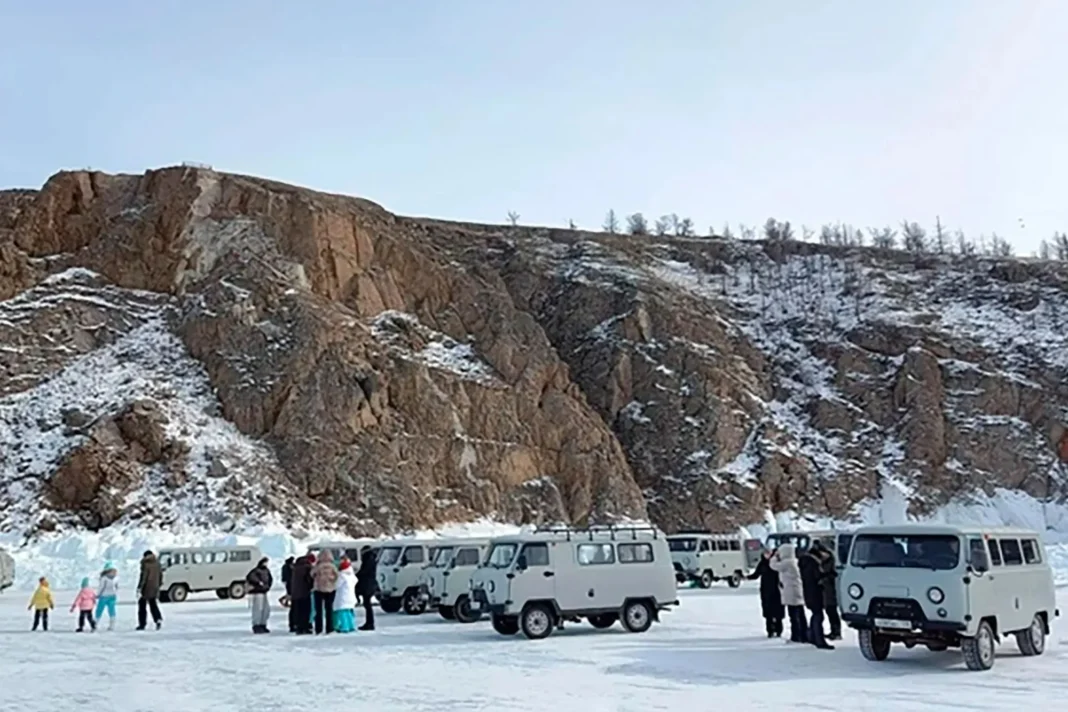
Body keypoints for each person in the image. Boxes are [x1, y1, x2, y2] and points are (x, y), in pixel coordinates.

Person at [769, 543, 807, 643]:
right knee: (800, 613)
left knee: (794, 615)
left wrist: (774, 557)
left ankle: (796, 636)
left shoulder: (787, 563)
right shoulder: (794, 561)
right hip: (796, 589)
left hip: (791, 591)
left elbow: (773, 566)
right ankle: (803, 634)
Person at [799, 545, 833, 650]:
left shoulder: (805, 562)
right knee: (818, 616)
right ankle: (819, 640)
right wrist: (827, 575)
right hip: (815, 593)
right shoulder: (812, 563)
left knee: (816, 615)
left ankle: (812, 636)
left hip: (809, 592)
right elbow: (816, 577)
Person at [747, 548, 784, 638]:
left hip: (777, 590)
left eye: (768, 553)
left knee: (778, 611)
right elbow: (756, 574)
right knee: (768, 612)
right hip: (766, 590)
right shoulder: (762, 564)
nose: (767, 555)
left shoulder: (776, 563)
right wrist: (747, 577)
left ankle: (778, 630)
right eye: (765, 553)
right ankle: (770, 630)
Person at [811, 541, 842, 640]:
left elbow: (833, 575)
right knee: (829, 611)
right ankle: (834, 631)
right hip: (825, 590)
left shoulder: (831, 562)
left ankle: (836, 632)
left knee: (832, 611)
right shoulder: (823, 562)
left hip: (830, 591)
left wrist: (824, 578)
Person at [312, 549, 339, 634]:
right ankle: (329, 628)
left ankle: (318, 628)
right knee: (329, 609)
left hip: (318, 589)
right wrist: (331, 581)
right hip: (330, 589)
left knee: (318, 610)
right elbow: (337, 576)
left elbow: (311, 574)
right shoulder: (333, 566)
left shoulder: (318, 566)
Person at [245, 557, 274, 634]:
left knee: (266, 609)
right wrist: (258, 583)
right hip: (257, 592)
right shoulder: (256, 571)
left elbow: (270, 579)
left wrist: (268, 586)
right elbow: (250, 577)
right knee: (258, 609)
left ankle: (263, 624)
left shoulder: (266, 571)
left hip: (264, 592)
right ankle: (256, 625)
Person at [137, 550, 163, 631]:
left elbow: (143, 577)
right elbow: (160, 575)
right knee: (153, 604)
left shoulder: (146, 564)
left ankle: (142, 624)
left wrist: (140, 587)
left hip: (146, 588)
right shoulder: (157, 563)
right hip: (155, 587)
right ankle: (158, 618)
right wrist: (158, 585)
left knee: (142, 606)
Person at [289, 553, 314, 635]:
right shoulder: (307, 568)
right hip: (304, 592)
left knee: (297, 611)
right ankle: (305, 627)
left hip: (295, 593)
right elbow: (308, 580)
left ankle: (298, 627)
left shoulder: (295, 568)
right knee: (305, 611)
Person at [333, 558, 358, 633]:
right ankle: (351, 626)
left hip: (343, 597)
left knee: (342, 612)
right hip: (351, 597)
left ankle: (345, 627)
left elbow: (336, 585)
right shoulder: (352, 576)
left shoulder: (342, 576)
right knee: (349, 612)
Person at [356, 545, 377, 631]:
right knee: (367, 604)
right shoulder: (371, 559)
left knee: (367, 604)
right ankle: (369, 622)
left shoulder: (368, 560)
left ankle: (370, 623)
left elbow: (364, 571)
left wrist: (357, 575)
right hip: (369, 584)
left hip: (367, 585)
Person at [95, 562, 119, 631]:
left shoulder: (104, 578)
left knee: (99, 610)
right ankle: (112, 625)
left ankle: (95, 624)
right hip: (112, 596)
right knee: (112, 610)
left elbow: (101, 587)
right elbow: (117, 587)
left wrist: (98, 594)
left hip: (104, 596)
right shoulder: (116, 578)